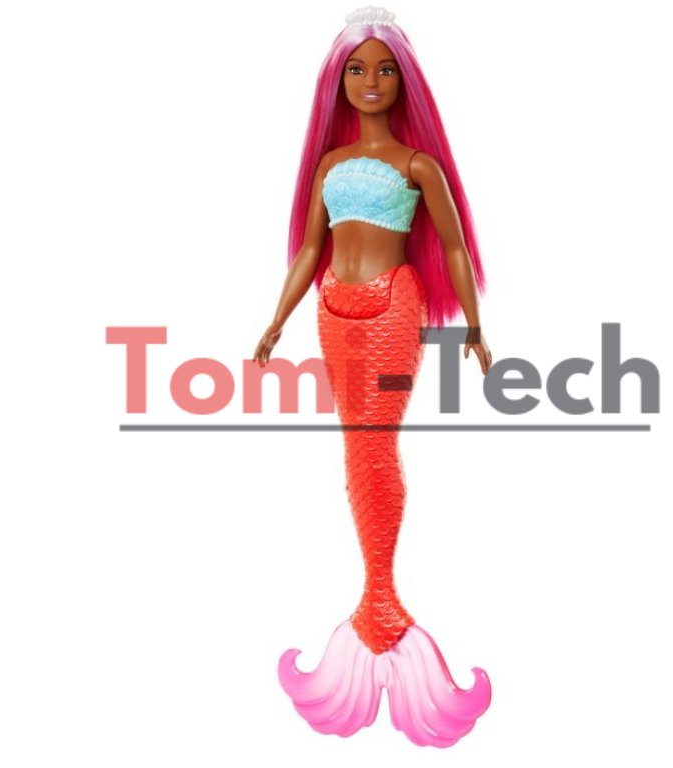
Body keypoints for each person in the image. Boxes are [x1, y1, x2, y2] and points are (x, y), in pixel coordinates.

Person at [251, 6, 492, 747]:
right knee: (356, 445)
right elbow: (309, 251)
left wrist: (475, 326)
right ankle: (376, 595)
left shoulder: (418, 166)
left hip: (392, 307)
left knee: (374, 441)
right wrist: (276, 319)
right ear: (339, 82)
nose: (371, 82)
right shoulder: (328, 166)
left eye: (385, 70)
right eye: (357, 70)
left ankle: (380, 595)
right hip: (334, 308)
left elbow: (455, 248)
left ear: (404, 81)